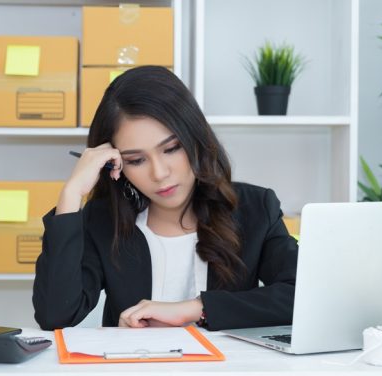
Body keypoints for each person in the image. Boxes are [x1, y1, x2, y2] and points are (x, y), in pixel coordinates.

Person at [33, 66, 298, 331]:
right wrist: (71, 195)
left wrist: (195, 309)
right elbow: (55, 315)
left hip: (225, 372)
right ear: (116, 164)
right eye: (136, 160)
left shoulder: (255, 209)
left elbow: (303, 296)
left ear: (195, 138)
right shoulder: (104, 220)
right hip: (136, 371)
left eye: (171, 149)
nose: (159, 173)